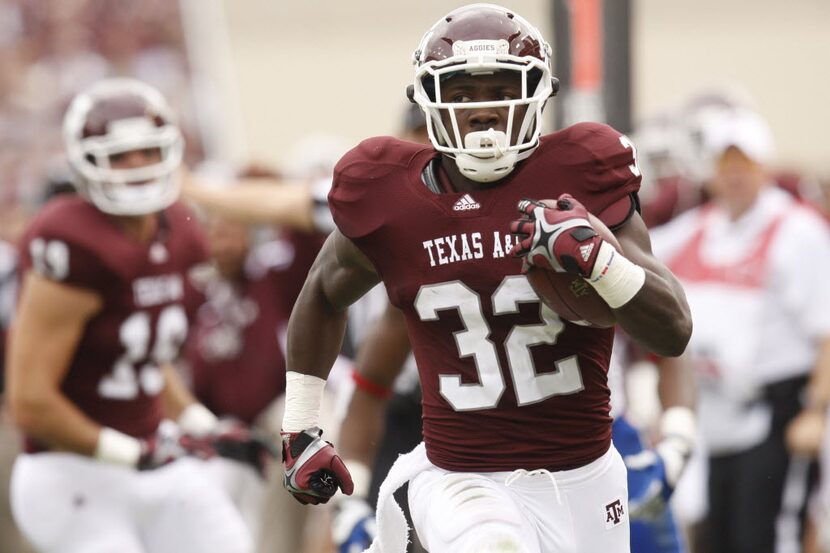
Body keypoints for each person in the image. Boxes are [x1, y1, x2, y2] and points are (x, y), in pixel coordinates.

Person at [279, 4, 692, 553]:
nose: (482, 111)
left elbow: (674, 330)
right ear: (429, 101)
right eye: (462, 93)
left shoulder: (581, 174)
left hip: (586, 479)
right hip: (461, 476)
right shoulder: (390, 198)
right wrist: (301, 424)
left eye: (501, 88)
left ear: (539, 93)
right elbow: (322, 295)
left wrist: (599, 259)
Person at [5, 78, 254, 553]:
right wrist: (129, 452)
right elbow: (31, 401)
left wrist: (202, 424)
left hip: (152, 457)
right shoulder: (71, 238)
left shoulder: (182, 232)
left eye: (146, 151)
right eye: (119, 156)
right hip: (72, 473)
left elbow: (143, 357)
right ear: (84, 160)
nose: (136, 167)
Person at [650, 107, 830, 553]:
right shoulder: (700, 228)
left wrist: (815, 413)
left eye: (743, 164)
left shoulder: (795, 231)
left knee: (767, 537)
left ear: (762, 166)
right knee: (717, 537)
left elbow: (826, 330)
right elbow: (635, 257)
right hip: (715, 416)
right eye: (725, 164)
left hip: (775, 414)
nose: (734, 175)